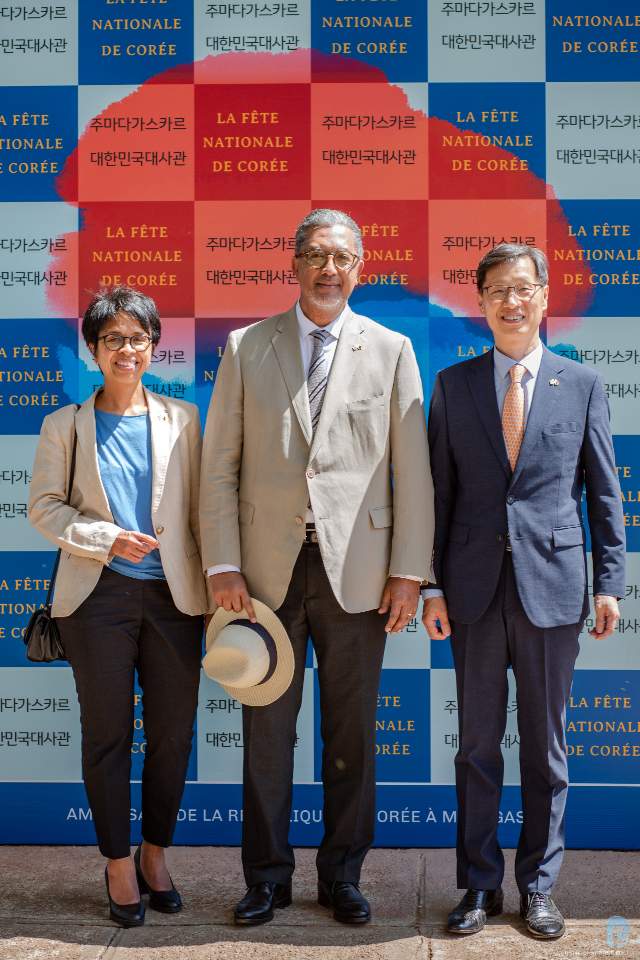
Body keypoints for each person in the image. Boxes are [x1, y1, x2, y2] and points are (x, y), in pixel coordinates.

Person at [200, 208, 434, 926]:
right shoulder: (247, 345)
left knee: (352, 734)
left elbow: (412, 472)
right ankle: (266, 877)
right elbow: (219, 465)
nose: (329, 270)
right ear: (293, 263)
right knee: (267, 737)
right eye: (315, 255)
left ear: (361, 267)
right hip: (262, 578)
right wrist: (223, 563)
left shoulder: (392, 349)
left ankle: (342, 876)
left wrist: (409, 571)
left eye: (342, 258)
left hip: (358, 577)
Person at [423, 243, 625, 940]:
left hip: (554, 587)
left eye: (522, 289)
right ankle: (479, 885)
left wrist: (609, 583)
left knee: (546, 750)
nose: (511, 303)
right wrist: (432, 586)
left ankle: (539, 887)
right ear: (480, 302)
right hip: (472, 591)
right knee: (477, 747)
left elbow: (604, 492)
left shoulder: (583, 383)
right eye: (497, 292)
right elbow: (438, 494)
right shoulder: (453, 384)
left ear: (544, 296)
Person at [28, 287, 209, 928]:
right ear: (94, 350)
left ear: (154, 346)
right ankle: (116, 864)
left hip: (174, 599)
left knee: (173, 734)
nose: (126, 350)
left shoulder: (185, 419)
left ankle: (154, 854)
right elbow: (43, 507)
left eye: (137, 338)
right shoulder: (64, 425)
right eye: (112, 339)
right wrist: (106, 538)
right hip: (95, 599)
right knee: (107, 735)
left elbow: (204, 509)